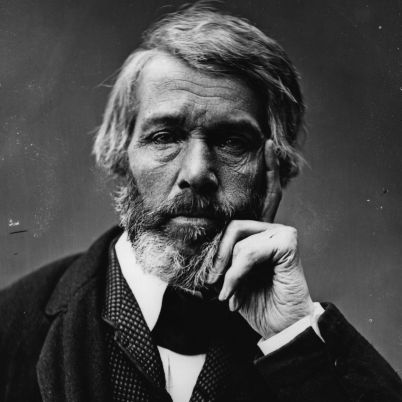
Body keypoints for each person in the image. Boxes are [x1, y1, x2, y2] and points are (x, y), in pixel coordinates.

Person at [0, 3, 401, 402]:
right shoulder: (11, 324)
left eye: (232, 142)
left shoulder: (303, 336)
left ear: (275, 168)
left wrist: (292, 336)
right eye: (164, 137)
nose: (196, 173)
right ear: (120, 155)